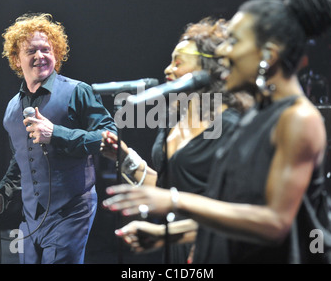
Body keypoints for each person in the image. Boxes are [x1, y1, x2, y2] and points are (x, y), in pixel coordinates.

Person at [102, 0, 331, 263]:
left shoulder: (298, 118)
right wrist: (167, 235)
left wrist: (175, 201)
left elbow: (275, 223)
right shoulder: (256, 116)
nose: (224, 52)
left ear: (269, 54)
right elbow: (235, 211)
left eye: (235, 42)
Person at [100, 18, 253, 263]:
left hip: (217, 246)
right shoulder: (172, 122)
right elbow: (166, 190)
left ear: (208, 68)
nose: (167, 69)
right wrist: (125, 158)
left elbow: (243, 210)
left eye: (178, 62)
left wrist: (170, 234)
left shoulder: (232, 125)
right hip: (175, 246)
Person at [0, 13, 117, 264]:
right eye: (31, 51)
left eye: (46, 49)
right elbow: (20, 159)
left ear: (57, 54)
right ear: (16, 59)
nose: (40, 56)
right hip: (30, 217)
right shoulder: (12, 108)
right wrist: (2, 193)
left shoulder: (77, 91)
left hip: (71, 210)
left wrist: (57, 134)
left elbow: (109, 137)